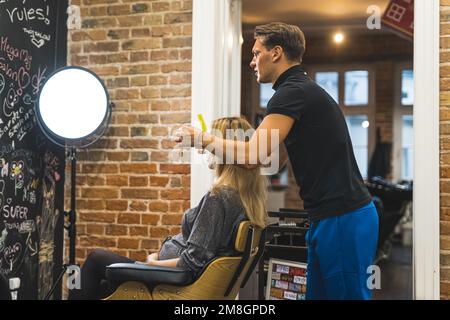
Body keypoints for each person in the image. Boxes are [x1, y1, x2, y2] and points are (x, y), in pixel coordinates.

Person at [174, 22, 379, 300]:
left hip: (342, 217)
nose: (252, 61)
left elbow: (253, 156)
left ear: (276, 53)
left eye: (257, 53)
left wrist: (201, 138)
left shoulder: (291, 93)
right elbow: (271, 159)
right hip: (328, 216)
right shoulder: (300, 91)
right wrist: (221, 151)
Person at [68, 117, 267, 300]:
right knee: (102, 286)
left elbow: (191, 263)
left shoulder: (218, 197)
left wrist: (153, 263)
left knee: (95, 260)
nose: (208, 150)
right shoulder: (246, 200)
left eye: (213, 144)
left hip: (172, 282)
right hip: (172, 276)